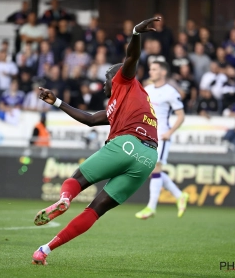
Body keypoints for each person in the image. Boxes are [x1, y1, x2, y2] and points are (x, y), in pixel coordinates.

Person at [31, 17, 161, 265]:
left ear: (116, 76)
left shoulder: (125, 80)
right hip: (148, 159)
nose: (103, 82)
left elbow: (131, 57)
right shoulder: (116, 106)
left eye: (105, 78)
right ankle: (45, 250)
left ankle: (65, 199)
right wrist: (57, 102)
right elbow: (90, 119)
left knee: (78, 178)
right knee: (95, 210)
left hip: (127, 144)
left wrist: (135, 33)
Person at [135, 61, 189, 220]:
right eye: (150, 68)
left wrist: (170, 133)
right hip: (148, 135)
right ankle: (180, 195)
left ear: (163, 72)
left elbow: (181, 116)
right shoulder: (147, 89)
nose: (150, 71)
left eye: (154, 69)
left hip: (162, 136)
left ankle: (151, 208)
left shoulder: (171, 92)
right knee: (151, 171)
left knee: (155, 169)